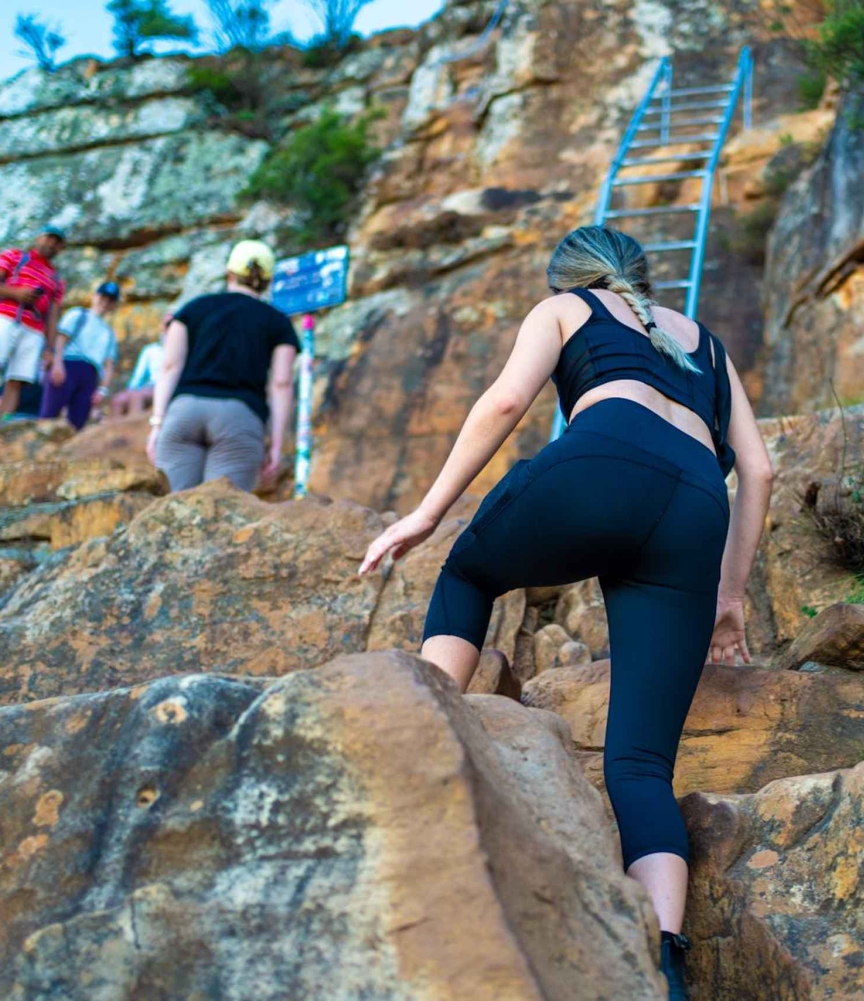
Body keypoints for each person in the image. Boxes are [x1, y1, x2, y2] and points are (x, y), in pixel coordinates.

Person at [356, 226, 773, 1001]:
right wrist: (728, 597)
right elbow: (759, 468)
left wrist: (425, 513)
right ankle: (664, 965)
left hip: (602, 463)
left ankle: (420, 731)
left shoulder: (565, 309)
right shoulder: (709, 347)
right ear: (640, 279)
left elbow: (506, 400)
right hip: (693, 507)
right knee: (640, 765)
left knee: (469, 569)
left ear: (570, 277)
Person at [147, 240, 297, 492]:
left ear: (229, 273)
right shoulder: (278, 321)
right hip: (239, 418)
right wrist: (276, 444)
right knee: (224, 506)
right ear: (268, 280)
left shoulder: (193, 309)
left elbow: (170, 367)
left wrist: (157, 423)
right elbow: (281, 384)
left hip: (184, 412)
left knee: (175, 504)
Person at [0, 226, 67, 419]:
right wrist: (16, 293)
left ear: (60, 248)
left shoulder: (56, 279)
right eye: (49, 238)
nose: (51, 244)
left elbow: (52, 314)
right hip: (7, 317)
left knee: (17, 380)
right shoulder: (14, 256)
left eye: (57, 242)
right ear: (38, 238)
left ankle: (4, 421)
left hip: (35, 329)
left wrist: (50, 348)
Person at [41, 281, 121, 429]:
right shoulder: (78, 314)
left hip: (91, 374)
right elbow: (61, 340)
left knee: (78, 422)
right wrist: (57, 365)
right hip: (69, 365)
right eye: (103, 297)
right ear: (95, 296)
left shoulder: (109, 333)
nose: (105, 302)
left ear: (113, 305)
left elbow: (109, 365)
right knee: (49, 415)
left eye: (110, 300)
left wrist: (102, 389)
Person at [109, 314, 169, 417]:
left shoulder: (181, 349)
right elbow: (139, 375)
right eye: (166, 324)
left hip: (166, 386)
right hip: (150, 386)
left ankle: (133, 426)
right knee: (118, 400)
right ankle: (114, 427)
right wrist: (130, 390)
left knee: (137, 396)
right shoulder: (151, 350)